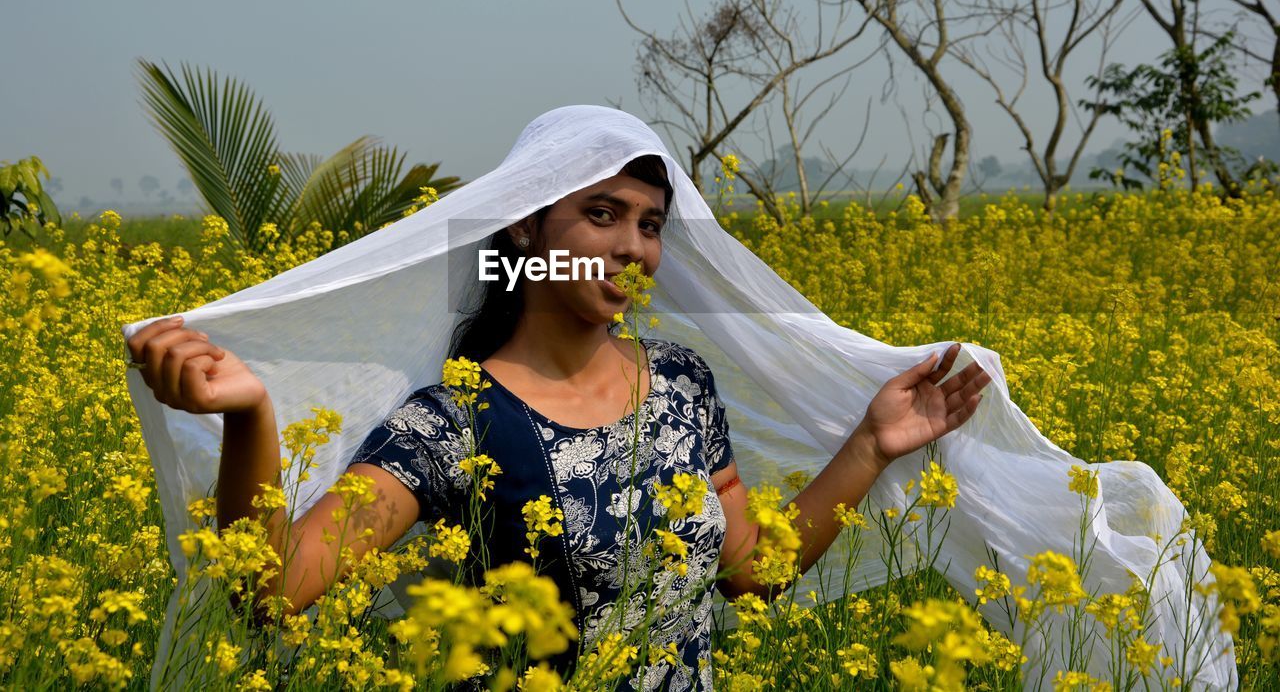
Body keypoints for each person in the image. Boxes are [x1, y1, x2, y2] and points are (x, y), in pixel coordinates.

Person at [125, 152, 992, 690]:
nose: (634, 248)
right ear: (529, 228)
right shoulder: (453, 421)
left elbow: (749, 575)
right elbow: (274, 589)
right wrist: (252, 418)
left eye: (650, 225)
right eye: (603, 214)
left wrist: (873, 445)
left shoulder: (683, 383)